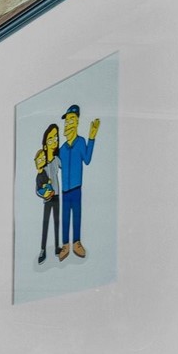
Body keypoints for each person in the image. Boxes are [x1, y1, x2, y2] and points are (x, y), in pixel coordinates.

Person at [55, 103, 101, 259]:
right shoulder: (61, 148)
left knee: (77, 215)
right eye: (66, 120)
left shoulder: (80, 142)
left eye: (71, 119)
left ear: (77, 122)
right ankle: (65, 245)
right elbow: (57, 166)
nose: (68, 123)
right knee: (65, 216)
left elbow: (87, 159)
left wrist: (92, 137)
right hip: (64, 190)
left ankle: (76, 242)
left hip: (76, 188)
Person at [33, 123, 62, 263]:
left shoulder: (57, 160)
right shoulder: (42, 165)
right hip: (47, 198)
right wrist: (43, 194)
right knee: (45, 222)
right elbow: (37, 186)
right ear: (45, 143)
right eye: (51, 139)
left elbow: (64, 166)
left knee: (57, 221)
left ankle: (57, 247)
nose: (54, 141)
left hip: (56, 196)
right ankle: (43, 249)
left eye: (56, 138)